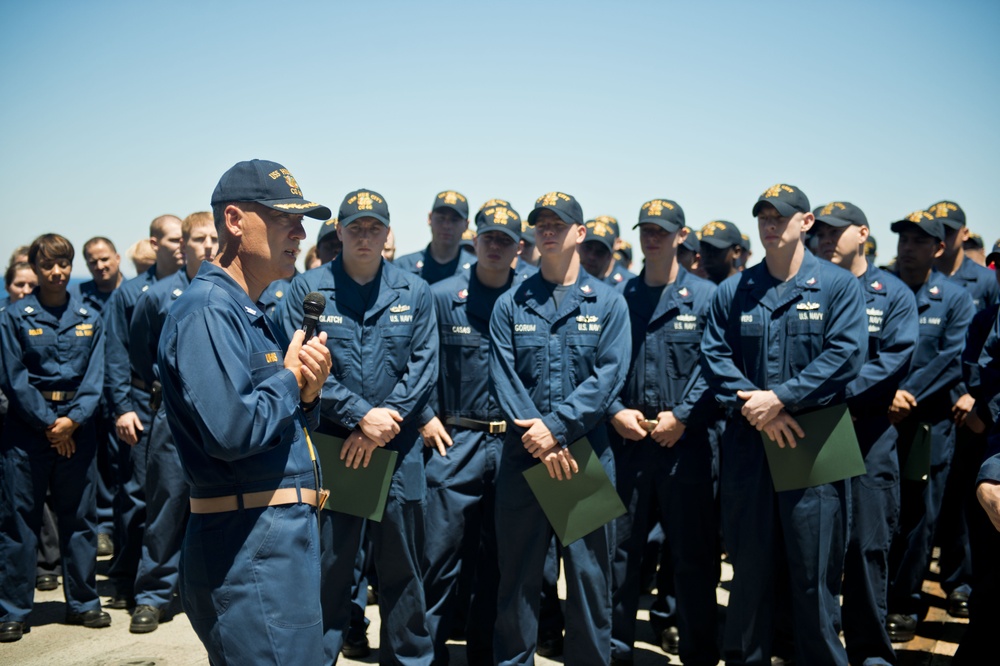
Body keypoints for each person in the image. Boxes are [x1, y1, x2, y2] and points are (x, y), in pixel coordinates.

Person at [157, 159, 332, 664]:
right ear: (235, 221)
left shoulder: (248, 310)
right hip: (248, 547)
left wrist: (306, 394)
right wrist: (292, 379)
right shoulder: (208, 310)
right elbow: (231, 430)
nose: (301, 233)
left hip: (274, 542)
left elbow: (271, 419)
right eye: (284, 219)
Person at [701, 183, 867, 665]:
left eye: (781, 217)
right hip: (751, 437)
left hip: (816, 436)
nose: (770, 225)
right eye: (764, 217)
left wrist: (780, 399)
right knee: (749, 574)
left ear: (806, 222)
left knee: (814, 576)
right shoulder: (735, 290)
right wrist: (763, 407)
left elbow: (848, 354)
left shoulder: (838, 286)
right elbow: (713, 354)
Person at [278, 188, 438, 664]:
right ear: (339, 232)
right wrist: (359, 417)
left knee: (404, 575)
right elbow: (299, 366)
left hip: (395, 451)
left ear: (388, 234)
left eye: (374, 228)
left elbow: (424, 367)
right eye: (355, 227)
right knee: (328, 575)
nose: (364, 236)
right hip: (334, 451)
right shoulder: (307, 292)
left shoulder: (416, 291)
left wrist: (376, 425)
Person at [489, 191, 630, 665]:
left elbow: (607, 378)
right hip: (525, 458)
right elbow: (504, 377)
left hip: (583, 457)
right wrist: (543, 438)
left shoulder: (609, 304)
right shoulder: (511, 304)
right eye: (541, 224)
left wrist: (556, 430)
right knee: (518, 582)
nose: (548, 231)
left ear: (580, 233)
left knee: (591, 583)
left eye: (558, 223)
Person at [608, 198, 719, 666]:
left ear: (681, 236)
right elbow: (600, 366)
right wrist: (614, 411)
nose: (652, 238)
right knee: (620, 555)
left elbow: (718, 363)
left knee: (693, 557)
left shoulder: (709, 297)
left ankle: (699, 651)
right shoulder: (620, 298)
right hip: (629, 444)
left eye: (662, 231)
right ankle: (615, 649)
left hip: (685, 445)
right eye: (646, 231)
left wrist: (685, 415)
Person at [813, 201, 918, 666]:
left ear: (863, 233)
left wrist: (828, 393)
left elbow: (893, 357)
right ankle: (811, 644)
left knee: (866, 548)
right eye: (820, 232)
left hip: (868, 433)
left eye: (838, 232)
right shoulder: (809, 288)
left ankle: (871, 653)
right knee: (814, 548)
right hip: (816, 433)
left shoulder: (891, 294)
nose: (827, 240)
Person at [419, 202, 523, 665]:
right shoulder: (441, 296)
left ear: (519, 247)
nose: (495, 246)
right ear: (473, 241)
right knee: (438, 559)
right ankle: (427, 652)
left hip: (513, 444)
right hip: (454, 440)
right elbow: (415, 361)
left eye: (505, 239)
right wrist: (424, 415)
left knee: (502, 563)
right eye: (488, 237)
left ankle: (486, 653)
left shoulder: (529, 299)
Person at [0, 234, 110, 642]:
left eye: (63, 263)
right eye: (48, 265)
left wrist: (72, 423)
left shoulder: (90, 315)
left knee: (80, 520)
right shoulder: (14, 317)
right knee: (19, 524)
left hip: (78, 431)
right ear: (34, 267)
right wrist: (51, 425)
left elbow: (95, 379)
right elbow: (14, 379)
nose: (57, 272)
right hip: (27, 433)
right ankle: (13, 609)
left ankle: (83, 603)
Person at [885, 210, 974, 642]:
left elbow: (951, 356)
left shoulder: (954, 298)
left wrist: (907, 394)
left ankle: (904, 603)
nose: (908, 247)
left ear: (939, 248)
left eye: (920, 241)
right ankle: (872, 597)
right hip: (879, 416)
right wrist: (887, 395)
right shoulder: (878, 289)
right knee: (875, 513)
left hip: (926, 425)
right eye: (903, 239)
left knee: (919, 516)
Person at [127, 211, 218, 633]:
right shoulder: (159, 296)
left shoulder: (235, 292)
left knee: (221, 504)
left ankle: (216, 592)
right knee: (166, 504)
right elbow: (141, 356)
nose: (208, 246)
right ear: (183, 244)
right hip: (173, 411)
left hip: (222, 413)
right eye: (199, 239)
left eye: (214, 237)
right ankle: (152, 594)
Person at [103, 214, 184, 609]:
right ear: (155, 243)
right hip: (142, 404)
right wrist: (122, 407)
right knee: (138, 497)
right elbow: (121, 354)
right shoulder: (135, 292)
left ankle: (169, 581)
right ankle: (124, 576)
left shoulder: (196, 287)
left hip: (174, 405)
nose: (181, 245)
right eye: (173, 239)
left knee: (174, 496)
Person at [926, 201, 999, 618]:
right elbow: (962, 358)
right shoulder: (920, 281)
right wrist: (961, 396)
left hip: (983, 420)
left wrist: (979, 406)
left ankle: (962, 580)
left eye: (950, 230)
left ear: (963, 233)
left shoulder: (981, 281)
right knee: (948, 501)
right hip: (948, 410)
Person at [72, 236, 124, 555]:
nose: (100, 265)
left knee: (124, 466)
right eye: (93, 261)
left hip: (124, 395)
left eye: (105, 259)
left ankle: (124, 528)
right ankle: (104, 527)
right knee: (98, 464)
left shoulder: (132, 294)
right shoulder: (78, 298)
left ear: (117, 258)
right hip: (89, 395)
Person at [395, 190, 474, 284]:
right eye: (441, 218)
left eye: (454, 220)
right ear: (429, 218)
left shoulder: (476, 270)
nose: (446, 226)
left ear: (466, 225)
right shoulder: (403, 267)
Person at [578, 215, 636, 287]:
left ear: (617, 244)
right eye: (587, 248)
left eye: (600, 252)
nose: (591, 256)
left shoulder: (629, 283)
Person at [698, 219, 748, 285]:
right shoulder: (696, 290)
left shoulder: (747, 288)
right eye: (704, 249)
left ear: (736, 252)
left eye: (715, 249)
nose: (708, 254)